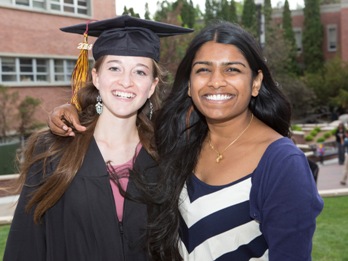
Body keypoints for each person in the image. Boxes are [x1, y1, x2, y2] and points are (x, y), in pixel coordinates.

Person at [47, 21, 324, 260]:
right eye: (203, 69)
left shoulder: (281, 163)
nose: (216, 82)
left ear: (255, 82)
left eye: (232, 70)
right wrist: (73, 110)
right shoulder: (181, 141)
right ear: (189, 84)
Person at [3, 15, 192, 261]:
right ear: (95, 77)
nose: (126, 81)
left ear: (153, 85)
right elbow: (25, 244)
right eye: (114, 68)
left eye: (140, 72)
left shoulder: (166, 154)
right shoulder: (55, 151)